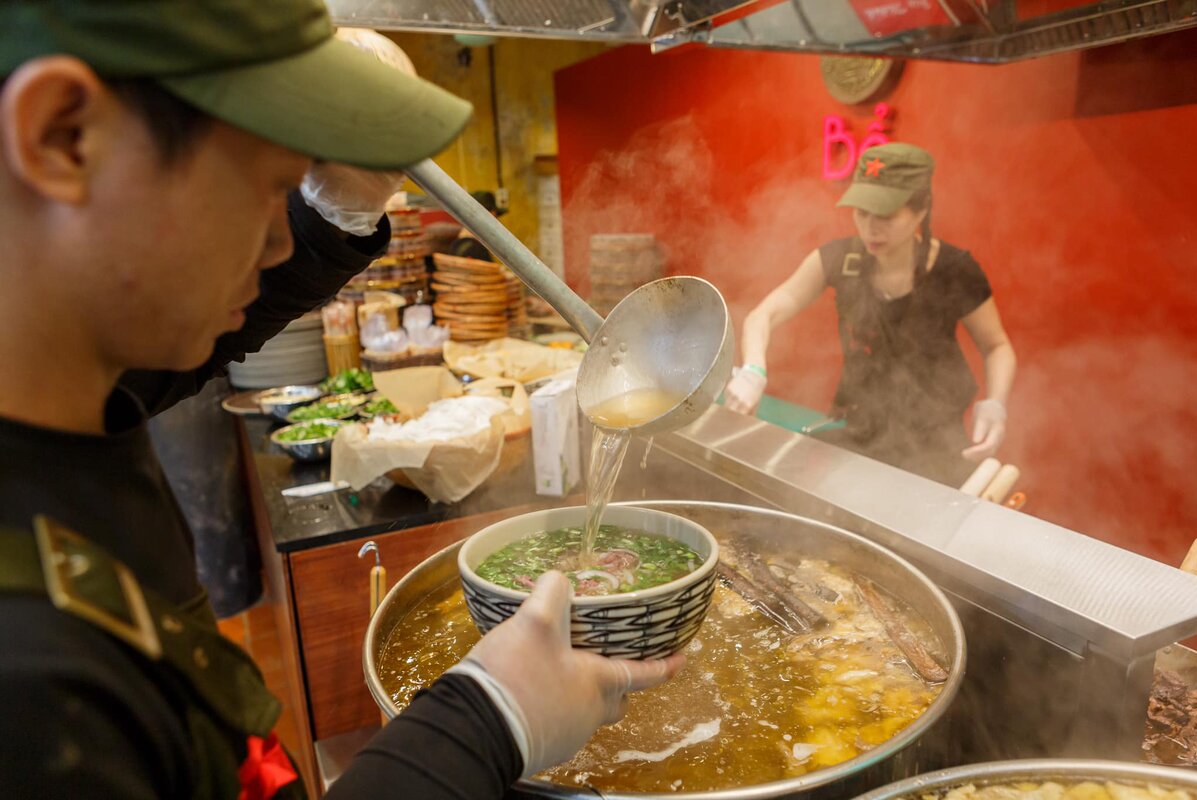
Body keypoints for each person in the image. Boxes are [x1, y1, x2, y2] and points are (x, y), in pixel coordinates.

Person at [0, 3, 682, 799]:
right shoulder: (28, 682)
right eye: (266, 188)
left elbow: (168, 349)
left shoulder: (67, 398)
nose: (280, 240)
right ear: (63, 135)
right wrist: (487, 720)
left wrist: (332, 217)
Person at [724, 143, 1016, 486]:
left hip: (936, 445)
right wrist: (754, 369)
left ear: (921, 211)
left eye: (885, 216)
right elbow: (765, 313)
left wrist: (995, 404)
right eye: (861, 212)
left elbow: (997, 347)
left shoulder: (956, 271)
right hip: (859, 435)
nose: (870, 229)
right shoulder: (839, 259)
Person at [448, 189, 505, 261]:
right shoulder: (474, 248)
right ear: (490, 214)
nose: (497, 221)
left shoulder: (459, 244)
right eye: (495, 216)